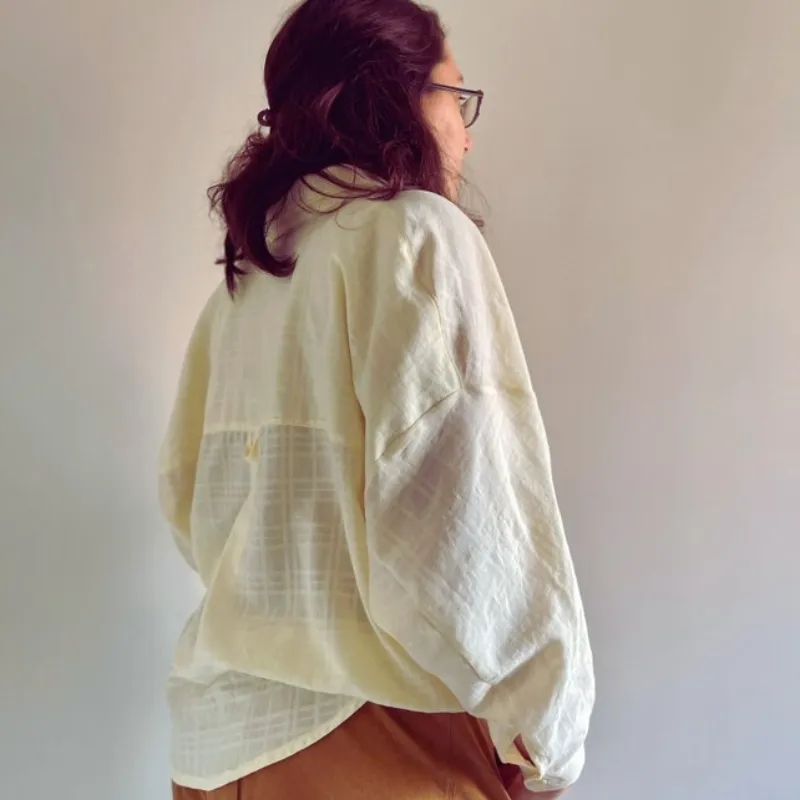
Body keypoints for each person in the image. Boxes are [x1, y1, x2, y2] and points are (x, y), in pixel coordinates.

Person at [159, 0, 595, 798]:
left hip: (216, 753)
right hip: (379, 746)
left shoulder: (246, 287)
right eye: (455, 98)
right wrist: (549, 741)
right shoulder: (415, 236)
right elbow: (469, 526)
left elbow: (190, 506)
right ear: (395, 96)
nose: (466, 134)